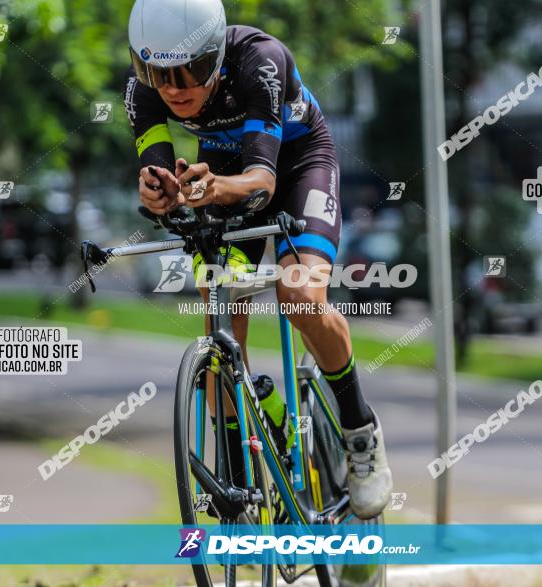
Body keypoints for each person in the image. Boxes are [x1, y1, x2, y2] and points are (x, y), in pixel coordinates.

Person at [124, 0, 392, 518]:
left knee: (299, 296)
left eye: (191, 71)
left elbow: (263, 182)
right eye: (159, 73)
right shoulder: (143, 93)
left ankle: (360, 431)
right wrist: (162, 194)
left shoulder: (261, 60)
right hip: (222, 170)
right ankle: (242, 468)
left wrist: (214, 186)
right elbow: (158, 174)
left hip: (294, 164)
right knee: (220, 312)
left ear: (219, 55)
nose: (175, 88)